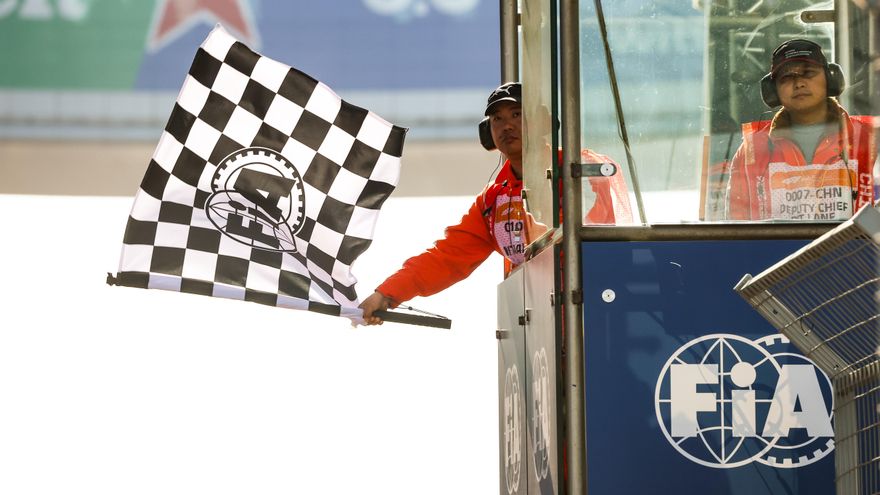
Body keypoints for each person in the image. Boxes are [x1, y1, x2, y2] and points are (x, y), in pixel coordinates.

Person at [359, 82, 628, 325]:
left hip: (598, 310)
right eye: (497, 119)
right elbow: (447, 257)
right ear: (487, 133)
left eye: (516, 114)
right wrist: (386, 293)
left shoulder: (581, 169)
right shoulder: (493, 200)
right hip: (539, 327)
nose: (506, 125)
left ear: (541, 121)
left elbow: (591, 232)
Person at [725, 39, 876, 221]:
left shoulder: (869, 139)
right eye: (787, 77)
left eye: (808, 73)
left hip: (856, 250)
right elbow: (736, 226)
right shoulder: (752, 153)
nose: (799, 83)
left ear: (831, 79)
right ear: (772, 91)